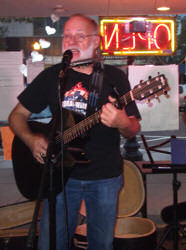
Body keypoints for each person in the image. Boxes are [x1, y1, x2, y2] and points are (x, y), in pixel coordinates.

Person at [8, 14, 141, 250]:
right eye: (68, 36)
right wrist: (30, 140)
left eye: (81, 36)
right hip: (58, 176)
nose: (73, 41)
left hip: (104, 176)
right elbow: (16, 116)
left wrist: (121, 121)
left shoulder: (115, 77)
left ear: (97, 41)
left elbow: (132, 130)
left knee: (101, 244)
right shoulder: (53, 76)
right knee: (53, 243)